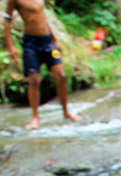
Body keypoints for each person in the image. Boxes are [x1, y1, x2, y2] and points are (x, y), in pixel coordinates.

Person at [4, 0, 81, 130]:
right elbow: (7, 20)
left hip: (49, 43)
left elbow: (43, 18)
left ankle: (66, 112)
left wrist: (55, 40)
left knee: (61, 75)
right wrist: (11, 47)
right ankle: (35, 117)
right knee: (34, 79)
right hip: (31, 45)